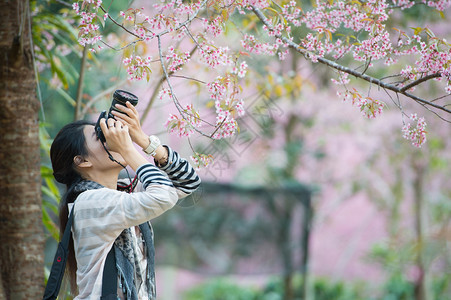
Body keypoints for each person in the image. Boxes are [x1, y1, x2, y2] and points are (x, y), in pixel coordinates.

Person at [50, 101, 201, 299]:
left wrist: (144, 140)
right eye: (100, 136)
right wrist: (129, 150)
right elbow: (163, 195)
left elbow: (188, 182)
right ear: (82, 161)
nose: (113, 139)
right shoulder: (89, 203)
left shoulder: (122, 192)